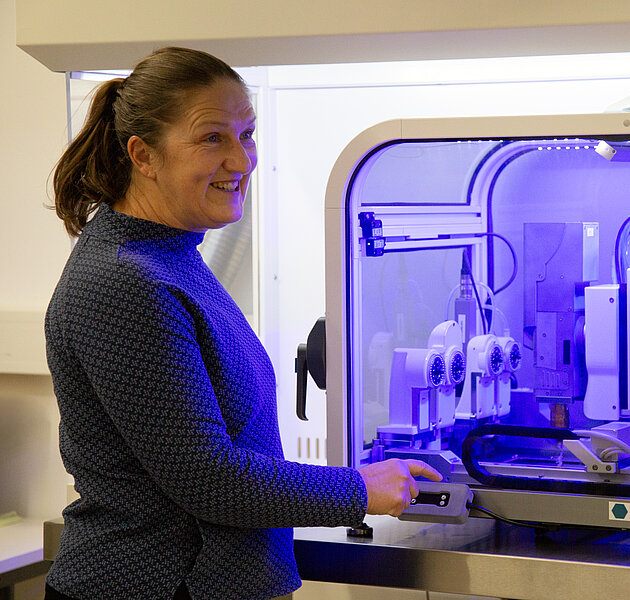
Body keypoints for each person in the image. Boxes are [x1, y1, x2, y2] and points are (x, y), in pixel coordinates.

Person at [45, 46, 441, 600]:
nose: (242, 160)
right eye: (212, 138)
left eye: (247, 134)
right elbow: (208, 480)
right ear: (143, 155)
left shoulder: (170, 255)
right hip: (155, 586)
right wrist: (358, 488)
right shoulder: (124, 281)